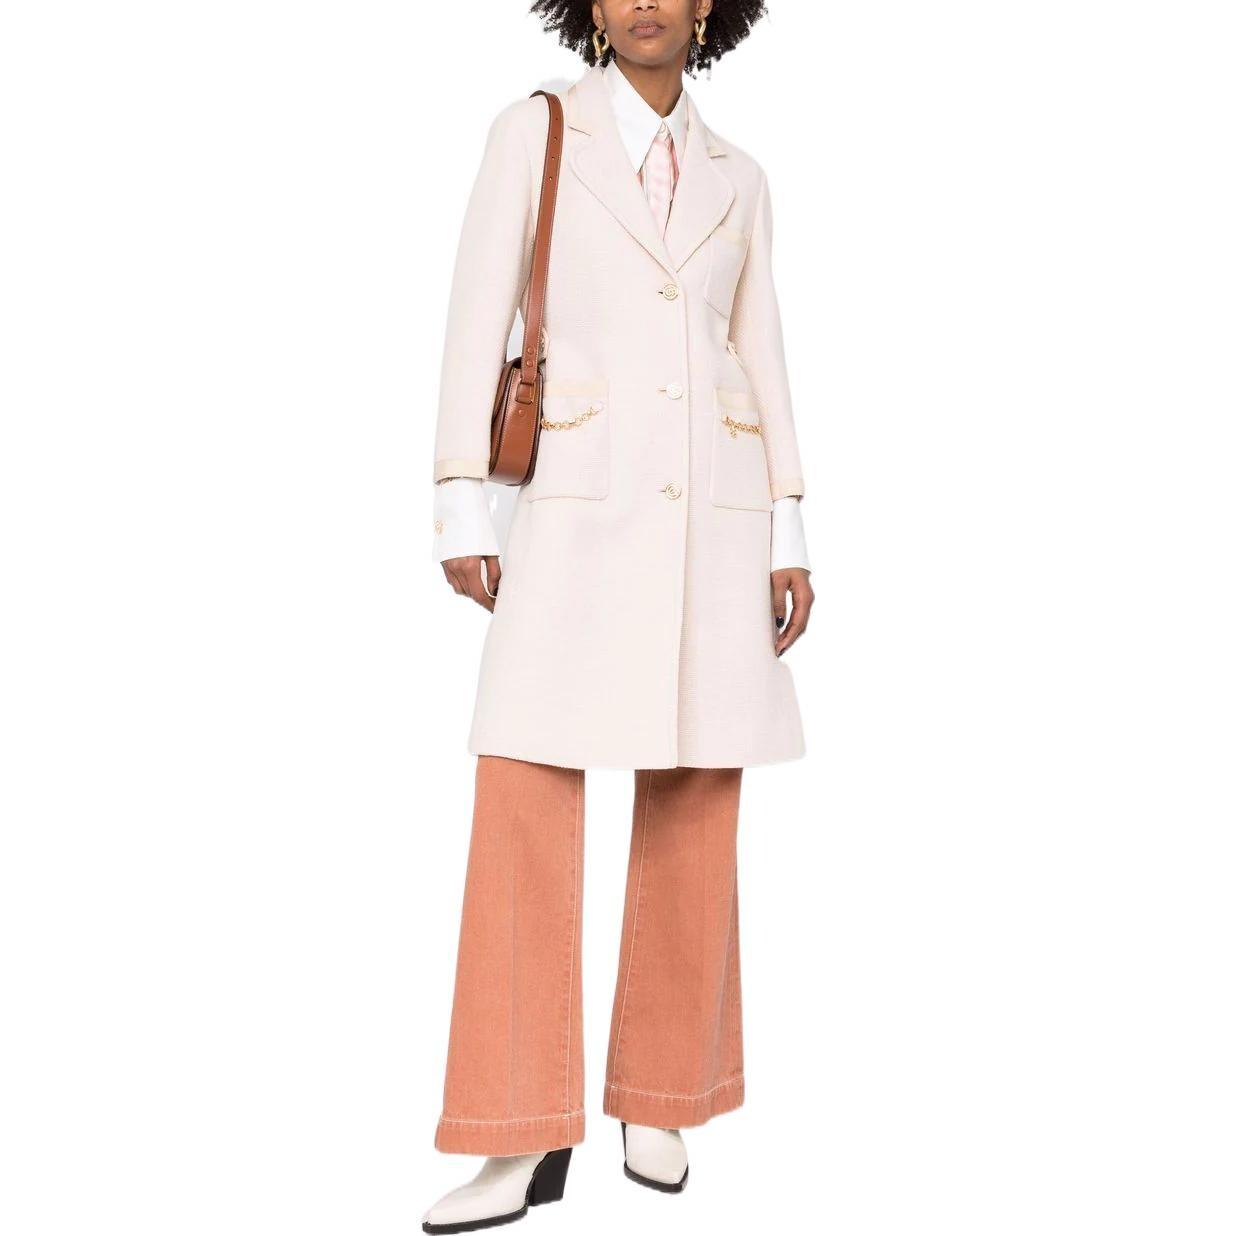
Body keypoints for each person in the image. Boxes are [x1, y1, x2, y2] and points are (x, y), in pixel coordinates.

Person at [423, 2, 813, 1230]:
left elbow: (760, 348)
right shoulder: (535, 133)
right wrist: (459, 500)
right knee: (523, 794)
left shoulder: (742, 176)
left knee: (696, 789)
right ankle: (513, 1130)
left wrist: (789, 525)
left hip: (715, 514)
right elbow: (477, 313)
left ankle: (663, 1092)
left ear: (708, 9)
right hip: (575, 507)